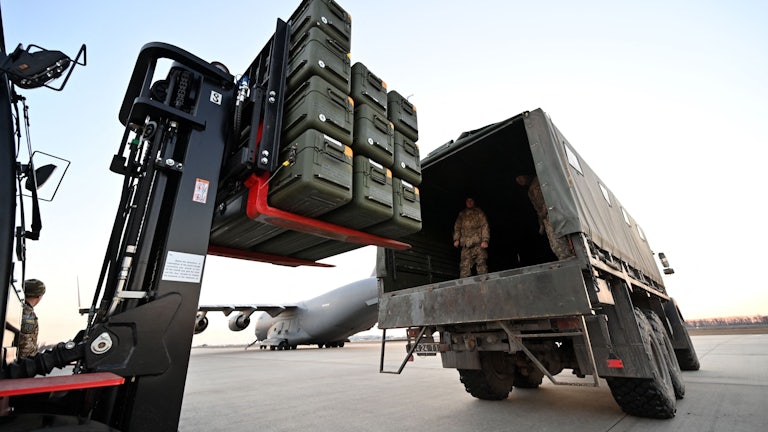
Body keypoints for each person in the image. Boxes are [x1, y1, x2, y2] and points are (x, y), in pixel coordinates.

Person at [515, 174, 574, 260]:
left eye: (520, 178)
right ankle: (564, 257)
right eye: (518, 181)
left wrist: (546, 208)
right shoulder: (530, 191)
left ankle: (569, 257)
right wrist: (541, 223)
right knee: (555, 242)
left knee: (561, 238)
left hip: (554, 212)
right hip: (546, 217)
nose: (520, 182)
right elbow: (537, 208)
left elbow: (550, 194)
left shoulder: (540, 180)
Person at [453, 197, 490, 278]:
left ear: (474, 201)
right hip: (466, 244)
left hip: (478, 244)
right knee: (464, 268)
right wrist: (456, 239)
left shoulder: (479, 212)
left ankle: (483, 283)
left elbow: (485, 226)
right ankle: (465, 285)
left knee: (481, 265)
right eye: (467, 201)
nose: (469, 202)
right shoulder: (462, 214)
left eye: (471, 200)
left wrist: (485, 240)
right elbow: (457, 227)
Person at [19, 278, 45, 358]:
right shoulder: (28, 315)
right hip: (23, 362)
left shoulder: (18, 308)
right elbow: (25, 345)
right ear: (39, 296)